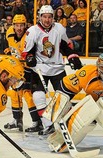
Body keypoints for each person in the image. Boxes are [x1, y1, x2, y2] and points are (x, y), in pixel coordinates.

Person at [21, 5, 83, 135]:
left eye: (49, 17)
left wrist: (72, 56)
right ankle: (47, 125)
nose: (47, 20)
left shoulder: (59, 28)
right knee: (38, 97)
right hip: (39, 69)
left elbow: (66, 46)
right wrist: (30, 58)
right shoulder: (33, 31)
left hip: (57, 68)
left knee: (64, 96)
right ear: (40, 17)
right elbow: (27, 52)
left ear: (53, 18)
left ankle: (67, 122)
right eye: (44, 17)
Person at [3, 14, 41, 133]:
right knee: (14, 94)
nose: (19, 28)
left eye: (21, 25)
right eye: (17, 25)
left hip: (28, 69)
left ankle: (37, 122)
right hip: (15, 69)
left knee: (27, 95)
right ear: (13, 25)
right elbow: (9, 46)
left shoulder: (29, 36)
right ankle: (17, 120)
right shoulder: (9, 32)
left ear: (25, 26)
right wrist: (8, 51)